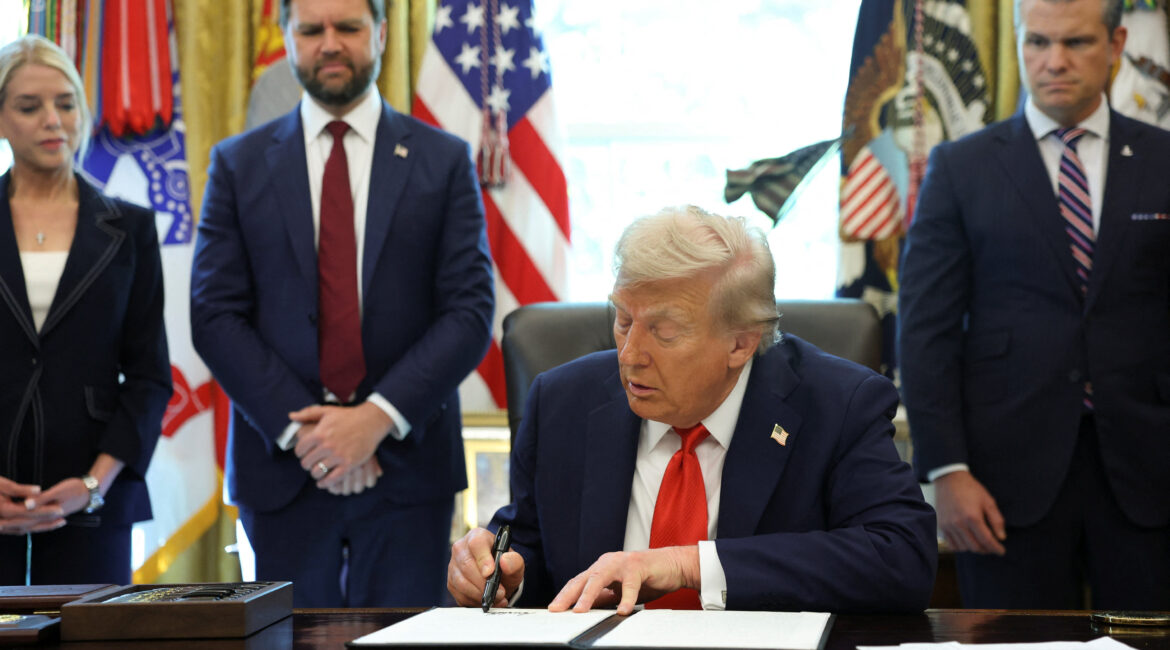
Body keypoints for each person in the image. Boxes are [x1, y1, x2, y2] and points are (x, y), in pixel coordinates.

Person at [448, 206, 936, 613]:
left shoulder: (838, 404)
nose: (630, 353)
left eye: (663, 332)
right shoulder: (563, 400)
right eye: (622, 320)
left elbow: (901, 558)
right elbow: (531, 540)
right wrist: (503, 573)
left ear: (741, 344)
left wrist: (687, 565)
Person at [190, 0, 493, 607]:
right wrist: (315, 435)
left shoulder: (443, 160)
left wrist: (375, 418)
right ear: (287, 38)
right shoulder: (237, 164)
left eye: (348, 27)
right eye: (312, 30)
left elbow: (469, 311)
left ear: (381, 34)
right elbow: (214, 314)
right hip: (283, 473)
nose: (330, 43)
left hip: (410, 472)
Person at [899, 0, 1170, 609]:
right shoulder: (961, 167)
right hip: (1001, 479)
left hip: (1148, 469)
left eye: (1075, 43)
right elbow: (925, 333)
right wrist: (946, 471)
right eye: (1037, 43)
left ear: (1117, 42)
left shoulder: (1163, 161)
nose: (1053, 62)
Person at [0, 35, 170, 584]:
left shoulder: (131, 228)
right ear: (2, 120)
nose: (53, 119)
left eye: (66, 103)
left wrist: (95, 485)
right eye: (30, 106)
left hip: (95, 502)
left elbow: (148, 377)